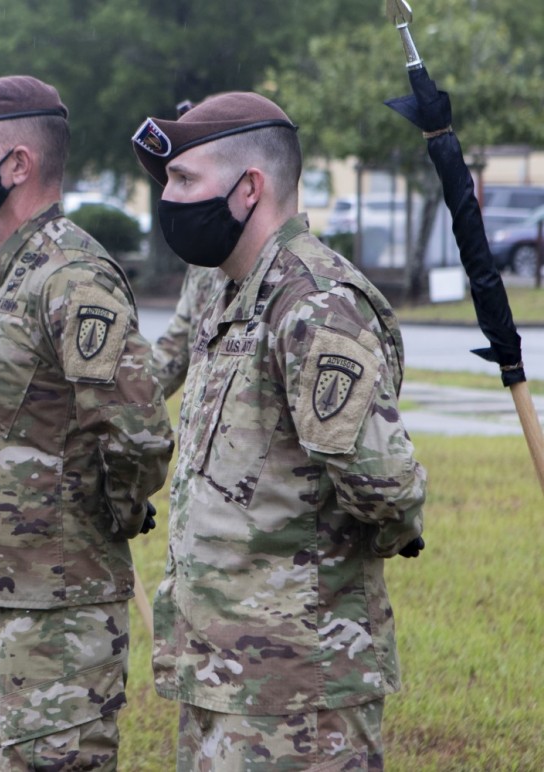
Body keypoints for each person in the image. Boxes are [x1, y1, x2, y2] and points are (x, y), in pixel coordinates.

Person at [131, 91, 428, 769]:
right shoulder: (227, 289)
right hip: (222, 670)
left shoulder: (316, 304)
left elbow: (384, 488)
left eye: (183, 180)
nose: (168, 200)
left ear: (249, 188)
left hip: (299, 683)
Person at [0, 75, 174, 770]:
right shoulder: (4, 272)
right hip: (0, 589)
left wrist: (109, 515)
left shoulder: (69, 273)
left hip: (60, 601)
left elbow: (137, 430)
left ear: (17, 165)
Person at [150, 265, 224, 399]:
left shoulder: (271, 262)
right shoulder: (202, 262)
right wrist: (123, 400)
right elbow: (177, 344)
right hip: (201, 409)